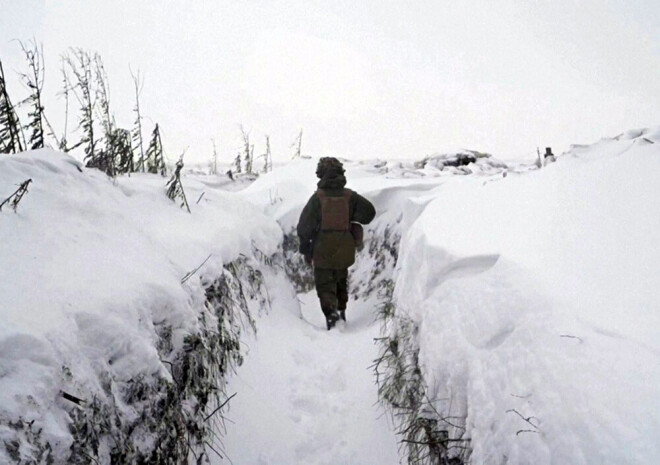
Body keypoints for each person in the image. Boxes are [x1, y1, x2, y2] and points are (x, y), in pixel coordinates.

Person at [297, 157, 376, 330]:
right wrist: (349, 216)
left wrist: (306, 250)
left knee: (325, 284)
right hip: (344, 249)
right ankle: (341, 313)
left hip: (322, 249)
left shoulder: (317, 198)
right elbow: (369, 214)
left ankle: (332, 319)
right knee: (341, 278)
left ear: (320, 175)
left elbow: (304, 227)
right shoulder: (350, 196)